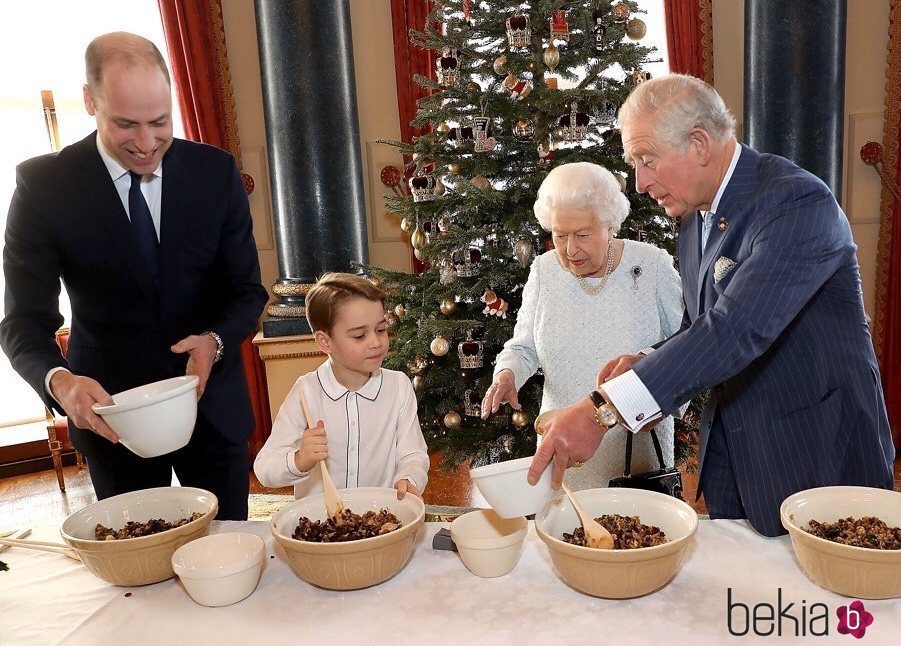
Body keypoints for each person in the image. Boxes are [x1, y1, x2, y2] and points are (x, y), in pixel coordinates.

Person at [528, 74, 895, 536]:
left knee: (817, 608)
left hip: (816, 450)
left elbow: (734, 330)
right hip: (736, 455)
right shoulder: (695, 216)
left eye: (647, 160)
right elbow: (700, 326)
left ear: (699, 144)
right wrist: (649, 359)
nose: (639, 183)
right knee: (745, 601)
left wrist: (603, 410)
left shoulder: (796, 204)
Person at [0, 32, 268, 520]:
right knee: (138, 578)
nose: (147, 144)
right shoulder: (44, 188)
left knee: (229, 569)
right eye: (126, 125)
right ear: (89, 101)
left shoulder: (216, 174)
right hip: (111, 422)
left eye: (160, 122)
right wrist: (60, 383)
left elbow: (247, 291)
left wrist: (216, 342)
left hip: (212, 415)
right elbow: (21, 322)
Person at [481, 162, 683, 490]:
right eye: (560, 236)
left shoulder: (652, 265)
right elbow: (524, 346)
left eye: (583, 235)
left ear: (610, 226)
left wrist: (664, 401)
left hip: (635, 455)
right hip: (562, 448)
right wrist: (507, 374)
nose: (571, 249)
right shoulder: (544, 271)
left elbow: (685, 349)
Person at [254, 273, 429, 500]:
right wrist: (300, 459)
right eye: (359, 335)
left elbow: (413, 454)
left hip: (380, 518)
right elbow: (264, 468)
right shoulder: (306, 392)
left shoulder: (398, 386)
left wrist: (409, 477)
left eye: (381, 330)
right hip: (322, 526)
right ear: (325, 342)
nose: (376, 342)